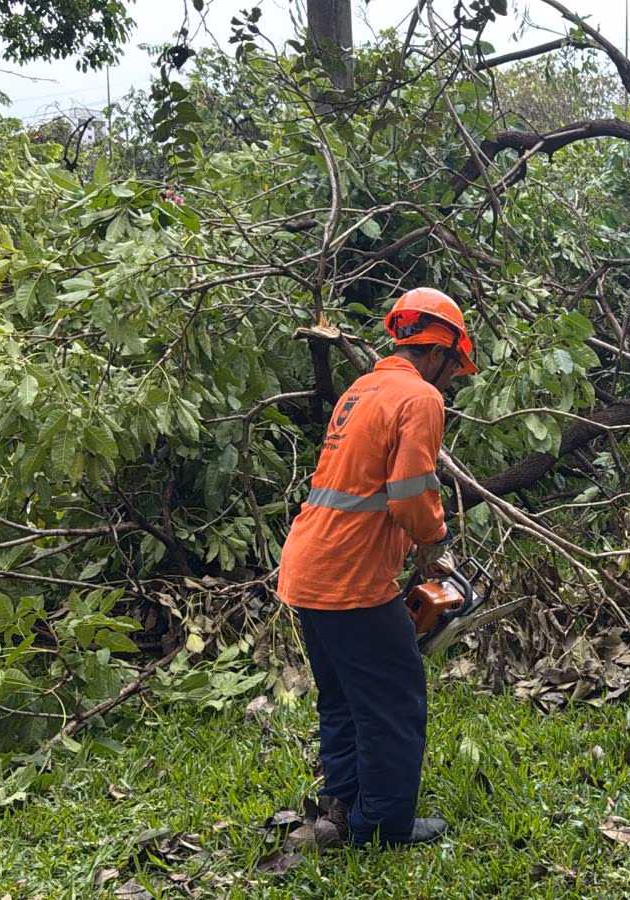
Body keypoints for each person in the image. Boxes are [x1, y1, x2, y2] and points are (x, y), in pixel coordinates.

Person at [276, 286, 478, 851]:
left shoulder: (362, 389)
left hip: (307, 565)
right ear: (439, 352)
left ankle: (340, 809)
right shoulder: (419, 397)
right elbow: (411, 494)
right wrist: (436, 540)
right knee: (396, 699)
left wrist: (410, 542)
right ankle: (384, 827)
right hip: (351, 576)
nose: (449, 379)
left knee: (341, 695)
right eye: (452, 367)